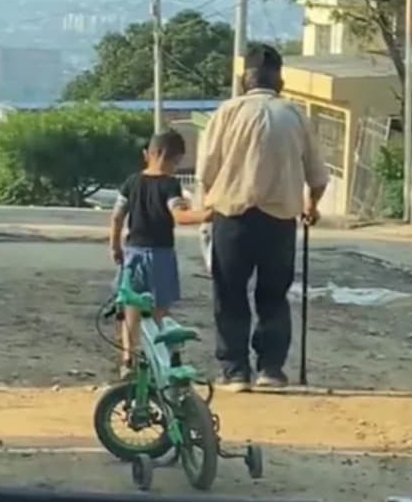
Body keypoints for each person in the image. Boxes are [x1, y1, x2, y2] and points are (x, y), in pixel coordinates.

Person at [196, 44, 330, 391]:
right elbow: (317, 175)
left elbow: (206, 171)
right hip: (280, 220)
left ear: (245, 79)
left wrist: (206, 212)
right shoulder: (294, 114)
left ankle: (236, 371)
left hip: (233, 216)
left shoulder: (227, 113)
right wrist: (311, 206)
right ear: (280, 81)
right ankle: (271, 368)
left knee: (230, 294)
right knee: (273, 294)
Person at [109, 128, 213, 380]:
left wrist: (115, 246)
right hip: (160, 256)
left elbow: (117, 217)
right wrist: (208, 214)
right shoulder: (169, 185)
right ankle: (159, 360)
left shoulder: (131, 182)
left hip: (132, 253)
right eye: (177, 162)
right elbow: (179, 215)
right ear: (169, 156)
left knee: (130, 309)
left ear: (148, 153)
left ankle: (128, 360)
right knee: (159, 312)